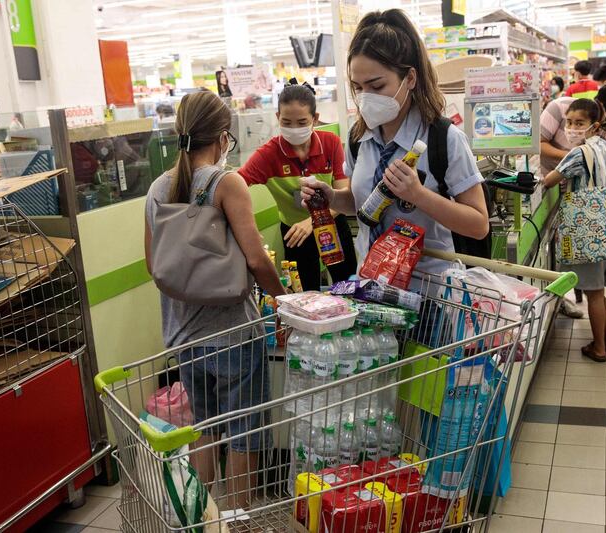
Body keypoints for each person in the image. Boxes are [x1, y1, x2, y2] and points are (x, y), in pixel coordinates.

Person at [144, 91, 285, 509]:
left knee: (206, 429)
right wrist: (286, 301)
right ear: (223, 138)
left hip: (182, 336)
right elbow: (257, 259)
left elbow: (154, 264)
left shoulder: (158, 187)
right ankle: (239, 518)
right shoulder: (226, 183)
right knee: (245, 432)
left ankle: (200, 518)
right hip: (232, 334)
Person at [300, 9, 489, 282]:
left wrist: (418, 195)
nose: (366, 97)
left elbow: (478, 225)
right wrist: (332, 197)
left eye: (376, 86)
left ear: (409, 79)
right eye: (358, 87)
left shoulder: (443, 139)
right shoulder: (358, 138)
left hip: (428, 295)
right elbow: (362, 203)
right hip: (371, 287)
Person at [239, 80, 357, 291]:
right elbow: (236, 184)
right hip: (295, 233)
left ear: (315, 119)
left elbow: (344, 194)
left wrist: (312, 221)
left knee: (347, 286)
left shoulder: (330, 143)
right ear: (277, 119)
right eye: (287, 122)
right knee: (305, 295)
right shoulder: (268, 155)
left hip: (332, 224)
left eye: (302, 122)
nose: (294, 129)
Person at [543, 99, 606, 362]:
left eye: (578, 123)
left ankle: (600, 349)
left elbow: (548, 181)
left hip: (590, 234)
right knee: (600, 293)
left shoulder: (579, 154)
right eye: (568, 122)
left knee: (593, 295)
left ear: (593, 126)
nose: (571, 128)